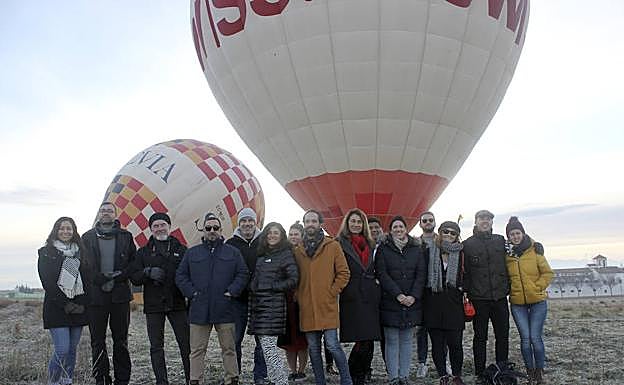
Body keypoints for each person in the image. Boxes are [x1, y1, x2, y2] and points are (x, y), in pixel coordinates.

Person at [176, 213, 249, 385]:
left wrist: (232, 291)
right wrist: (191, 293)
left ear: (221, 230)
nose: (212, 231)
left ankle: (232, 378)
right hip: (199, 308)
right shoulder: (192, 253)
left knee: (229, 348)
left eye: (215, 228)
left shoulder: (233, 252)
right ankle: (195, 380)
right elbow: (180, 275)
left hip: (225, 308)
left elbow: (243, 273)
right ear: (203, 230)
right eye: (208, 228)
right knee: (197, 349)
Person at [130, 213, 190, 385]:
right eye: (155, 226)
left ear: (169, 226)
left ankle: (190, 379)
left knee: (185, 344)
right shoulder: (143, 252)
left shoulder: (181, 249)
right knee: (156, 346)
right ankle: (161, 381)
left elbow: (189, 274)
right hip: (154, 305)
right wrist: (147, 272)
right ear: (150, 229)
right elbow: (134, 276)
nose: (159, 228)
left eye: (162, 224)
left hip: (177, 303)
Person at [294, 209, 352, 385]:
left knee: (333, 345)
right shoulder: (298, 250)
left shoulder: (332, 246)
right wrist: (298, 295)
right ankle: (320, 381)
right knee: (313, 348)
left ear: (320, 224)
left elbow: (344, 273)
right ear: (304, 225)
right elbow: (293, 276)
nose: (310, 224)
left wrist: (332, 292)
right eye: (307, 221)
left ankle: (346, 380)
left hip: (327, 305)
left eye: (313, 221)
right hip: (307, 306)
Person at [82, 202, 136, 385]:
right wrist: (98, 278)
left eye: (110, 211)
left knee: (120, 340)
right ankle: (101, 378)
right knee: (97, 341)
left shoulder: (126, 237)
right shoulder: (87, 237)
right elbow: (84, 265)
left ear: (116, 214)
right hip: (96, 297)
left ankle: (122, 379)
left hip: (120, 295)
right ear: (99, 213)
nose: (106, 213)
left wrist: (120, 275)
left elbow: (133, 263)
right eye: (103, 210)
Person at [375, 215, 427, 385]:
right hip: (391, 301)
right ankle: (393, 377)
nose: (398, 230)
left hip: (411, 301)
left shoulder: (416, 249)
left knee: (406, 340)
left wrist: (413, 296)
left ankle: (404, 376)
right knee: (391, 340)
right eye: (395, 227)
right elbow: (382, 274)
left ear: (406, 229)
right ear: (390, 230)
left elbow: (421, 275)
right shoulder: (383, 249)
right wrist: (398, 295)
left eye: (401, 227)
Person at [38, 217, 90, 385]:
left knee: (72, 350)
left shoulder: (80, 252)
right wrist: (66, 304)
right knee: (62, 349)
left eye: (69, 229)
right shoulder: (46, 252)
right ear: (56, 230)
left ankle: (66, 380)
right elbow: (48, 283)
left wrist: (82, 304)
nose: (65, 232)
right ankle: (53, 381)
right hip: (57, 307)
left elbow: (87, 280)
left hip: (78, 308)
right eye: (62, 228)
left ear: (74, 231)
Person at [248, 222, 299, 385]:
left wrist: (273, 287)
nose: (272, 235)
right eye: (269, 232)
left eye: (275, 232)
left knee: (269, 349)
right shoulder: (262, 256)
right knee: (266, 348)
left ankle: (281, 381)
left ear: (282, 235)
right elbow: (257, 278)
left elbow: (293, 279)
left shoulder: (285, 254)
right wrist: (253, 286)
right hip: (259, 307)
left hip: (273, 308)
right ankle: (278, 379)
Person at [505, 217, 553, 385]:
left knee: (535, 338)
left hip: (538, 301)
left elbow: (548, 273)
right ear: (508, 237)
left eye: (518, 233)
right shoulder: (507, 256)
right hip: (518, 304)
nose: (515, 237)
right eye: (512, 234)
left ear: (523, 233)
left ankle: (539, 372)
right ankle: (530, 372)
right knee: (525, 339)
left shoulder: (535, 251)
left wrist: (537, 286)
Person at [336, 209, 381, 385]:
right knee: (361, 338)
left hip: (370, 294)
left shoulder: (370, 243)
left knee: (369, 338)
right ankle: (353, 373)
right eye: (353, 221)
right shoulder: (339, 243)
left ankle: (360, 374)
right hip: (351, 294)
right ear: (347, 223)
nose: (356, 225)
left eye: (359, 222)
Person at [225, 207, 267, 385]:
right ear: (238, 224)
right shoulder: (230, 244)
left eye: (250, 220)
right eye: (243, 221)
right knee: (235, 339)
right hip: (238, 300)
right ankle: (234, 374)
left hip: (260, 299)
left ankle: (260, 375)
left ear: (255, 222)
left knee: (262, 340)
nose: (247, 224)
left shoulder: (265, 242)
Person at [423, 221, 467, 385]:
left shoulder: (462, 254)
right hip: (433, 302)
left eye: (452, 233)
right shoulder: (429, 251)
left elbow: (468, 274)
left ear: (457, 236)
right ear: (439, 233)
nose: (448, 235)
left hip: (454, 303)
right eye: (445, 232)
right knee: (437, 344)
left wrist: (464, 287)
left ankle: (456, 375)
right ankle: (443, 375)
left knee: (455, 343)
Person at [278, 222, 309, 382]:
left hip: (302, 300)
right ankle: (292, 370)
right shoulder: (283, 253)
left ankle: (302, 370)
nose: (293, 237)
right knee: (289, 339)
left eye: (296, 234)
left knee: (302, 339)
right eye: (291, 234)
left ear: (302, 236)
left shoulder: (306, 253)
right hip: (286, 301)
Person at [416, 211, 436, 378]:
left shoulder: (442, 241)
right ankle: (422, 363)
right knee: (421, 330)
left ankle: (442, 361)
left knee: (439, 329)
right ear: (420, 224)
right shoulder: (415, 243)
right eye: (425, 220)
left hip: (437, 291)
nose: (428, 222)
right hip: (421, 291)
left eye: (430, 220)